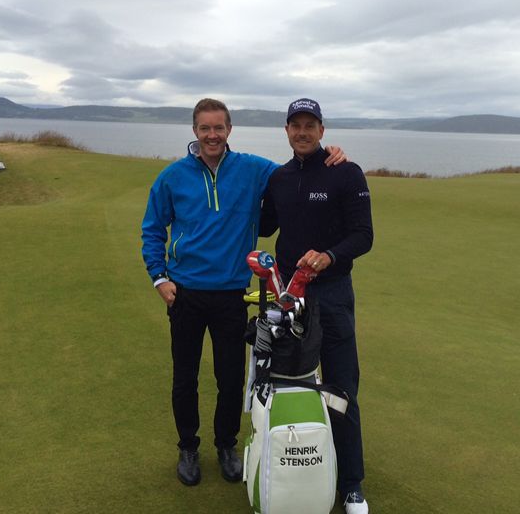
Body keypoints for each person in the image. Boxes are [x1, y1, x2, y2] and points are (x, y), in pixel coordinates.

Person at [140, 97, 345, 487]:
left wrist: (328, 155)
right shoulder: (172, 177)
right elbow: (153, 229)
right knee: (184, 377)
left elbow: (297, 172)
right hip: (184, 294)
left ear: (229, 130)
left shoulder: (253, 169)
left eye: (219, 128)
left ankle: (225, 445)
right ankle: (187, 447)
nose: (212, 135)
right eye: (205, 128)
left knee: (231, 378)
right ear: (195, 131)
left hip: (230, 294)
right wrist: (159, 277)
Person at [259, 98, 373, 514]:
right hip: (288, 296)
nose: (302, 132)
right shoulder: (280, 178)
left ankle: (352, 484)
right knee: (287, 382)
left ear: (322, 131)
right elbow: (264, 225)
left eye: (310, 125)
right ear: (286, 131)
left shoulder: (345, 172)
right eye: (295, 125)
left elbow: (364, 235)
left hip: (332, 295)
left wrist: (329, 255)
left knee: (342, 386)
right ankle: (289, 466)